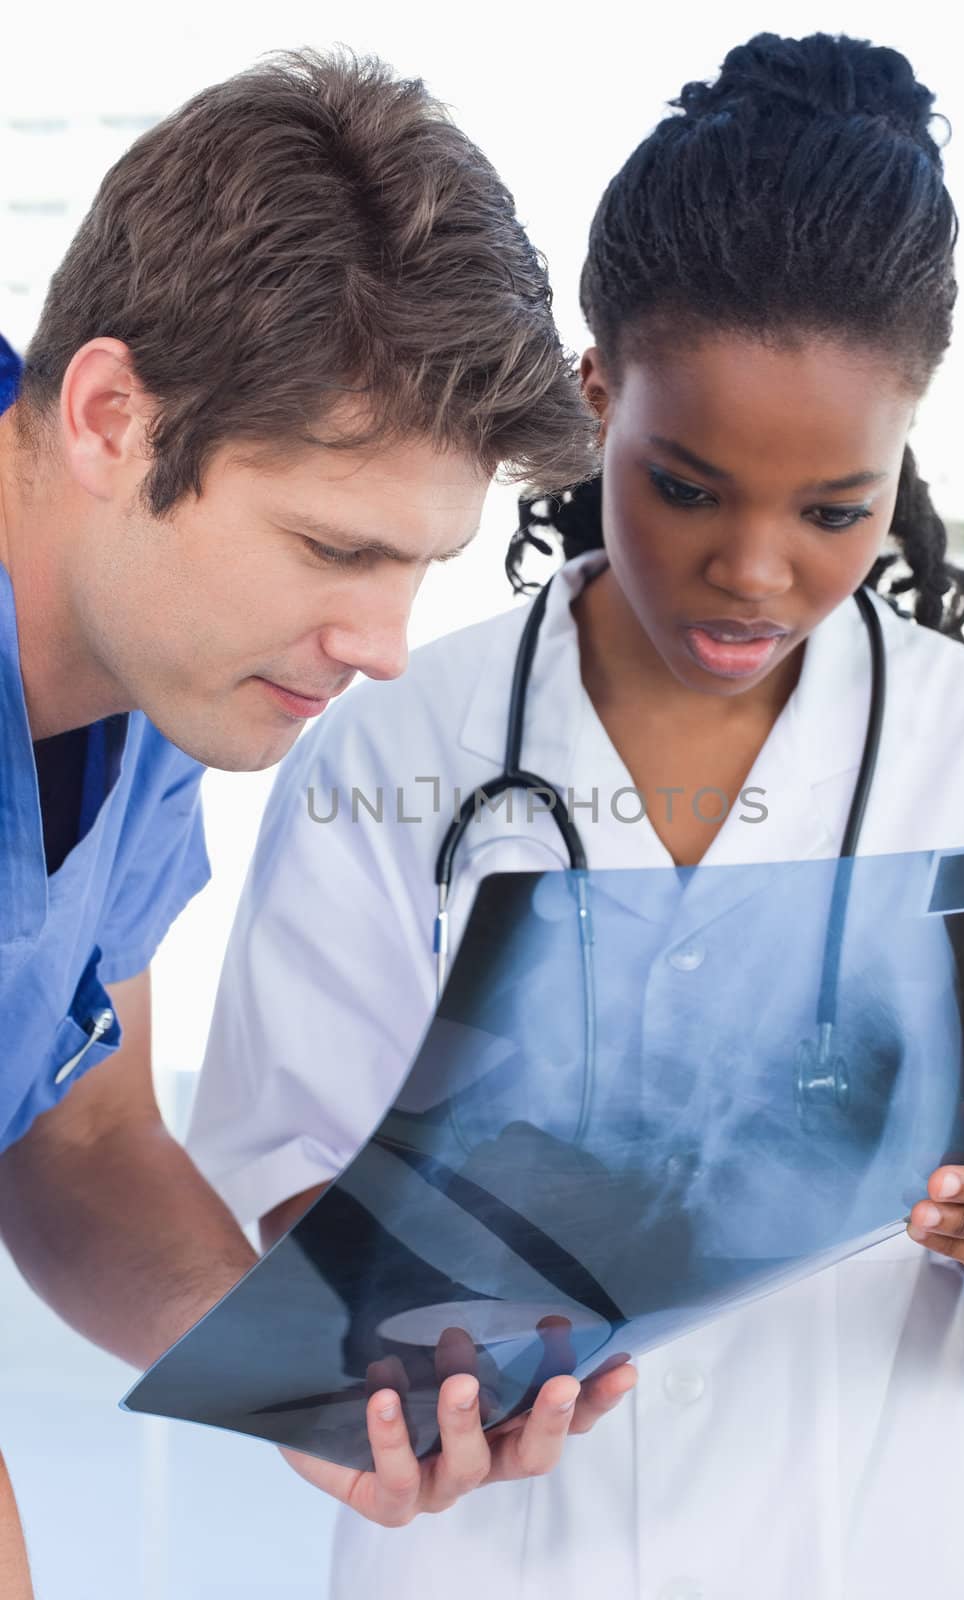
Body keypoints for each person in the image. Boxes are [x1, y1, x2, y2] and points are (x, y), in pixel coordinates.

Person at [188, 30, 964, 1600]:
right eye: (685, 486)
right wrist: (414, 1312)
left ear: (903, 450)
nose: (754, 570)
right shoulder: (393, 738)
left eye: (834, 511)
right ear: (597, 399)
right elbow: (285, 1206)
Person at [0, 48, 637, 1595]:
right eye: (331, 548)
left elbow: (73, 1130)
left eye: (418, 568)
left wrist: (316, 1370)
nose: (384, 644)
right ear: (111, 415)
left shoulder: (153, 669)